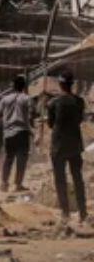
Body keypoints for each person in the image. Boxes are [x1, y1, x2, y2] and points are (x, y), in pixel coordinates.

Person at [47, 70, 87, 223]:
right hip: (75, 144)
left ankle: (65, 213)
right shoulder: (79, 102)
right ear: (72, 84)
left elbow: (51, 124)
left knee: (60, 179)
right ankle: (82, 213)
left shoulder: (53, 103)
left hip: (58, 144)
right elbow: (79, 120)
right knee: (78, 178)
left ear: (60, 84)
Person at [0, 75, 32, 192]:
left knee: (8, 158)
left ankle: (4, 183)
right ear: (24, 86)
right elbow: (33, 113)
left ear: (13, 86)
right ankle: (18, 184)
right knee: (21, 159)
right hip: (22, 131)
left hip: (9, 132)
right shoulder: (27, 99)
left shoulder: (4, 99)